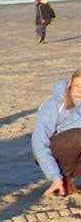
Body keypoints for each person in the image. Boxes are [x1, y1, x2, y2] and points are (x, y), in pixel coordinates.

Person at [30, 67, 81, 196]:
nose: (79, 91)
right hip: (56, 154)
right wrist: (55, 177)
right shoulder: (54, 104)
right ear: (70, 84)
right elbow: (39, 144)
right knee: (78, 135)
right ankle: (63, 180)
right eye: (76, 86)